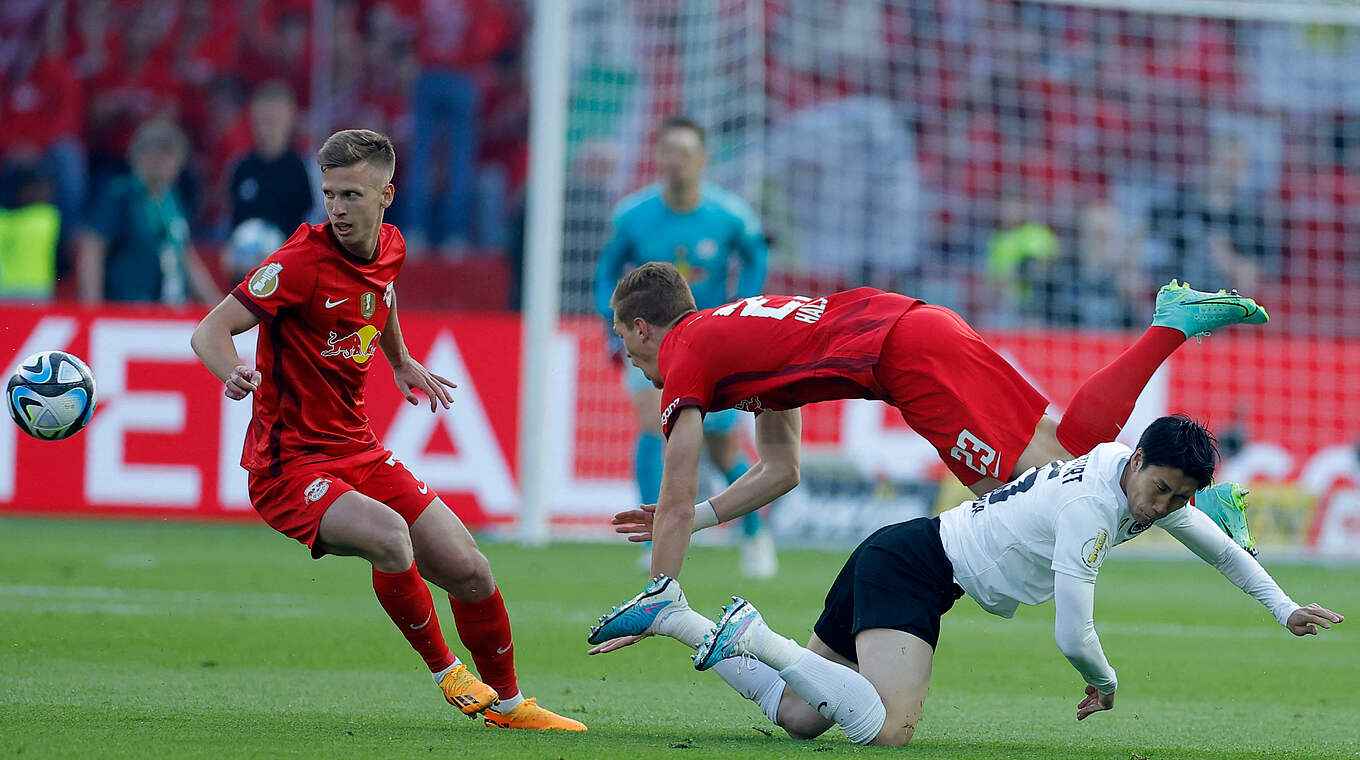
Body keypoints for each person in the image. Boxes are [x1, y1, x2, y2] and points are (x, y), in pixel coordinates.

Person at [593, 416, 1344, 746]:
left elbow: (1217, 546)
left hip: (902, 554)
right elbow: (1072, 632)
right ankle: (755, 634)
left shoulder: (1132, 469)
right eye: (1165, 492)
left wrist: (1282, 610)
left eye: (1182, 498)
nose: (1169, 509)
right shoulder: (1093, 507)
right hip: (917, 567)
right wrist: (1106, 682)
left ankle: (679, 621)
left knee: (799, 717)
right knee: (888, 731)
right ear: (1139, 465)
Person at [587, 261, 1269, 618]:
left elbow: (672, 497)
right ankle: (1171, 325)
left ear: (644, 327)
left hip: (902, 357)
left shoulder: (683, 353)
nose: (632, 360)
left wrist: (661, 593)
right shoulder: (727, 339)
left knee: (1027, 493)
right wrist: (703, 519)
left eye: (624, 341)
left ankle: (1199, 496)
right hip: (918, 324)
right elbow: (781, 470)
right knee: (1064, 458)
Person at [189, 129, 584, 731]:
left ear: (386, 196)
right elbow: (209, 332)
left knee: (470, 568)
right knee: (392, 537)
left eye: (351, 194)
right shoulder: (297, 264)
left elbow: (384, 292)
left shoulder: (391, 248)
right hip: (289, 466)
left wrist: (399, 359)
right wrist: (233, 370)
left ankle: (509, 704)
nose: (338, 208)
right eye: (329, 195)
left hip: (359, 449)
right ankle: (448, 673)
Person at [593, 116, 774, 577]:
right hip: (650, 340)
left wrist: (743, 307)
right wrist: (610, 323)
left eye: (685, 153)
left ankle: (755, 534)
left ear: (702, 160)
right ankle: (651, 530)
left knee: (720, 450)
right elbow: (605, 271)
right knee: (652, 426)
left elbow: (757, 255)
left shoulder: (728, 215)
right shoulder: (632, 214)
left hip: (710, 345)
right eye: (668, 152)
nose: (675, 162)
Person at [77, 120, 221, 306]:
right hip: (128, 306)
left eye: (167, 155)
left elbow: (185, 255)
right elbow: (93, 247)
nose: (159, 162)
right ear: (136, 156)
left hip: (169, 307)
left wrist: (217, 307)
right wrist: (92, 307)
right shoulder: (121, 194)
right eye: (152, 153)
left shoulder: (172, 199)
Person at [225, 80, 315, 282]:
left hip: (290, 279)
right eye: (260, 121)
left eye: (272, 121)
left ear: (290, 119)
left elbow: (318, 225)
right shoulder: (240, 168)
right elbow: (231, 224)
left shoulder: (306, 169)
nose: (265, 129)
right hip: (245, 279)